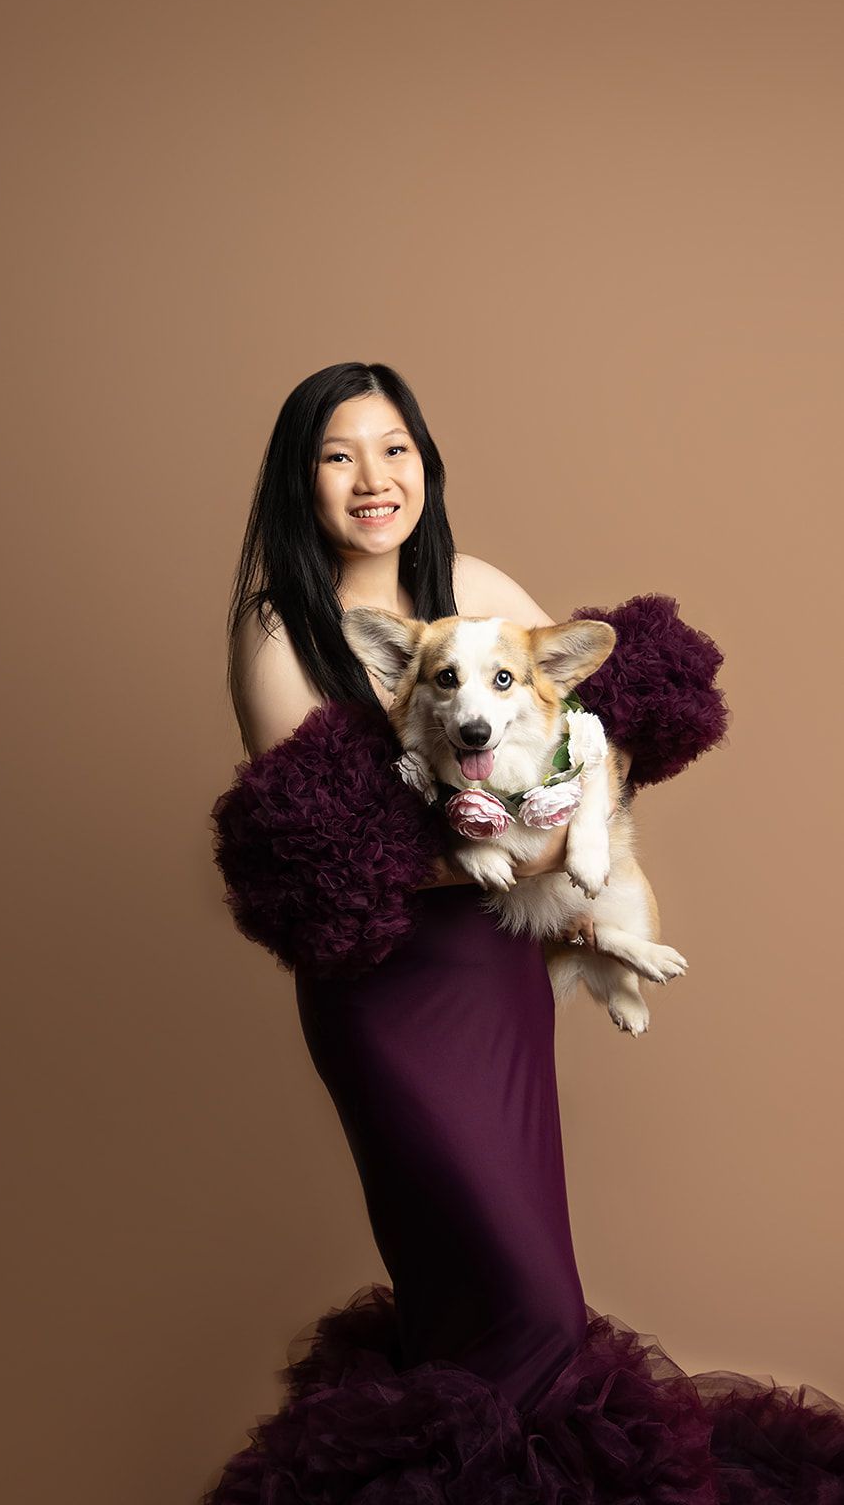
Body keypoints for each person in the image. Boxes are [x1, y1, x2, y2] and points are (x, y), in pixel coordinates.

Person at [203, 362, 844, 1503]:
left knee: (505, 1304)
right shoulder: (278, 634)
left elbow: (575, 729)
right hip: (382, 991)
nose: (371, 478)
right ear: (299, 479)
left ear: (423, 463)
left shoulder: (478, 585)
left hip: (492, 975)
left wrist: (569, 817)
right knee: (510, 1300)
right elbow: (326, 851)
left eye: (393, 447)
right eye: (338, 454)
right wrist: (522, 841)